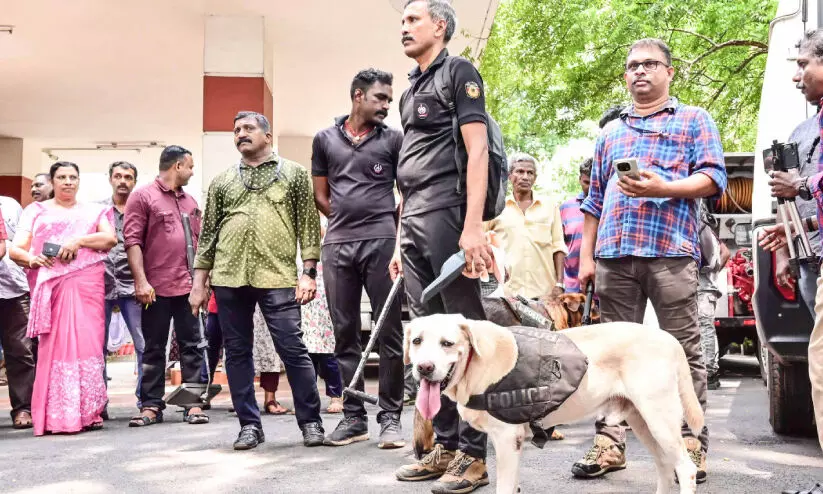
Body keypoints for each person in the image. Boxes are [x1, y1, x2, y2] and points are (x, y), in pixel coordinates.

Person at [576, 38, 727, 484]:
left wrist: (664, 188)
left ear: (669, 72)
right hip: (614, 257)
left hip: (670, 255)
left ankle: (691, 445)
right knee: (608, 356)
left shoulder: (694, 120)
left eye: (649, 64)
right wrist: (585, 257)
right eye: (632, 66)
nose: (639, 72)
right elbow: (593, 201)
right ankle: (609, 443)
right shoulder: (610, 132)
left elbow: (713, 178)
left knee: (683, 351)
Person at [392, 1, 493, 492]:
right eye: (402, 21)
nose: (404, 27)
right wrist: (397, 241)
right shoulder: (409, 88)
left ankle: (474, 456)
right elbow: (406, 174)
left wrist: (473, 226)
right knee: (430, 342)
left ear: (440, 26)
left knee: (461, 336)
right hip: (412, 221)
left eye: (413, 19)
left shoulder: (459, 73)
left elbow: (478, 151)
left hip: (448, 216)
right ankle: (446, 447)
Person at [189, 111, 325, 451]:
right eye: (236, 130)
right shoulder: (222, 181)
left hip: (277, 276)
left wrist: (308, 273)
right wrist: (199, 282)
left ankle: (311, 423)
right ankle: (249, 425)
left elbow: (309, 227)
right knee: (236, 353)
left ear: (267, 135)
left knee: (292, 349)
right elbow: (207, 238)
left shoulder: (292, 174)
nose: (240, 134)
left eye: (248, 128)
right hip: (228, 276)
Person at [312, 68, 405, 448]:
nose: (386, 105)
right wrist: (347, 221)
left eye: (388, 99)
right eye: (380, 98)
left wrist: (393, 239)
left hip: (382, 242)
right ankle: (353, 418)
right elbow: (321, 195)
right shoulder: (324, 140)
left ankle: (390, 417)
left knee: (390, 333)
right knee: (344, 332)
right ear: (357, 96)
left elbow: (407, 194)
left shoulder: (394, 140)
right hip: (337, 246)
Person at [758, 29, 823, 494]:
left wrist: (801, 186)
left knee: (820, 362)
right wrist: (789, 231)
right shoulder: (810, 125)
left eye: (804, 64)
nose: (797, 76)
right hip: (812, 258)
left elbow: (807, 185)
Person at [9, 161, 117, 435]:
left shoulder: (95, 211)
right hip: (52, 286)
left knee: (88, 344)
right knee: (55, 347)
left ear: (79, 181)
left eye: (73, 177)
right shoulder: (36, 211)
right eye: (62, 177)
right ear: (53, 181)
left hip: (87, 285)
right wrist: (33, 259)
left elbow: (109, 239)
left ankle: (89, 412)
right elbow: (16, 250)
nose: (68, 182)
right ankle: (58, 414)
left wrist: (78, 241)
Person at [123, 145, 208, 427]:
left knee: (192, 346)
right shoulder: (143, 196)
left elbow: (200, 247)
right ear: (177, 166)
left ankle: (193, 404)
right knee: (153, 348)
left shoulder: (190, 201)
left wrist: (202, 285)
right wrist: (141, 281)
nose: (192, 171)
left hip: (188, 286)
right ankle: (150, 406)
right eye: (190, 166)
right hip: (154, 288)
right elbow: (133, 241)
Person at [487, 153, 567, 299]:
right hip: (507, 295)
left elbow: (558, 246)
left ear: (535, 178)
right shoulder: (496, 207)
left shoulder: (550, 207)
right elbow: (481, 242)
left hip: (545, 295)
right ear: (510, 176)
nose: (525, 177)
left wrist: (560, 284)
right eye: (520, 171)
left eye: (530, 173)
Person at [100, 161, 145, 409]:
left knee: (143, 344)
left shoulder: (141, 209)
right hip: (101, 284)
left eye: (128, 176)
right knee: (97, 347)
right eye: (118, 176)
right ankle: (98, 403)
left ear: (134, 181)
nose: (123, 181)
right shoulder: (96, 211)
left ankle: (145, 400)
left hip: (133, 285)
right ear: (110, 179)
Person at [300, 217, 344, 415]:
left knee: (328, 355)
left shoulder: (327, 219)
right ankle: (308, 401)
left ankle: (336, 396)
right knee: (305, 356)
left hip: (325, 303)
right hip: (302, 304)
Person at [0, 196, 35, 429]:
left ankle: (23, 408)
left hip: (12, 287)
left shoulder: (10, 204)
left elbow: (7, 246)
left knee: (20, 350)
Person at [697, 206, 731, 391]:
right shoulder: (709, 231)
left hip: (688, 282)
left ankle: (698, 373)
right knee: (706, 329)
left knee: (688, 330)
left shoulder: (688, 228)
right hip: (707, 286)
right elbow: (726, 253)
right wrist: (713, 273)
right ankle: (710, 374)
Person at [559, 159, 592, 293]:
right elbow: (558, 247)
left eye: (594, 183)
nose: (590, 188)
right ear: (579, 179)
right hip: (572, 288)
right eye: (586, 182)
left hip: (603, 288)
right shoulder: (565, 208)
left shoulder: (610, 208)